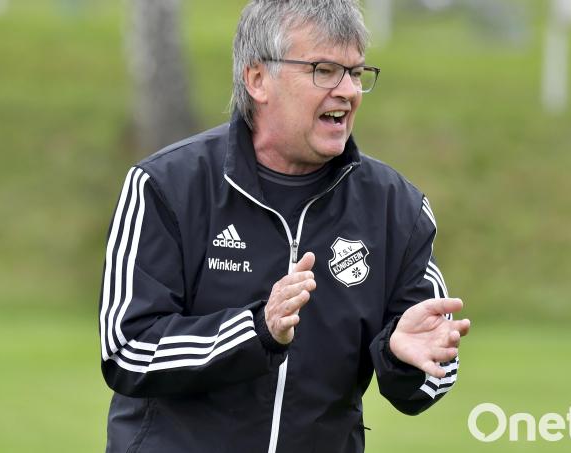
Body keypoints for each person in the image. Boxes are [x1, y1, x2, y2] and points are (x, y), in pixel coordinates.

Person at [98, 1, 471, 452]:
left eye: (355, 73)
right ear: (257, 79)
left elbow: (430, 374)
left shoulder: (396, 207)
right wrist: (256, 330)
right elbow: (128, 350)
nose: (348, 91)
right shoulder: (167, 185)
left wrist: (402, 356)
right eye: (324, 69)